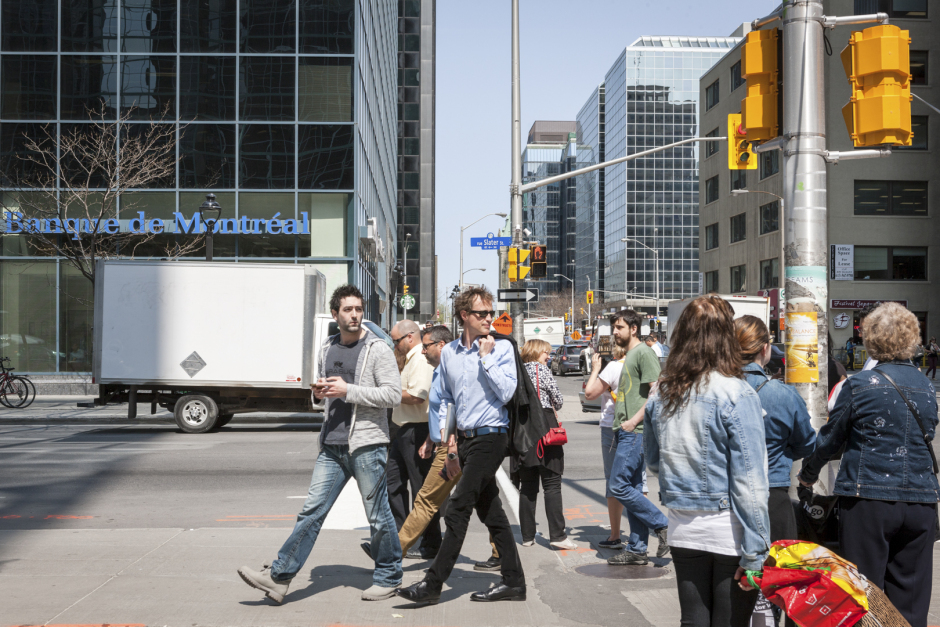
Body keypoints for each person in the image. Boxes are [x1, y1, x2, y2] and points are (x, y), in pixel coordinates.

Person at [238, 285, 403, 603]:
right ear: (335, 314)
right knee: (311, 512)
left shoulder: (378, 349)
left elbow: (392, 395)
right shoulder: (327, 347)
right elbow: (325, 396)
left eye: (358, 309)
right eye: (348, 310)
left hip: (367, 445)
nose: (355, 315)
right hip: (332, 444)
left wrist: (348, 390)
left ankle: (389, 576)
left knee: (379, 516)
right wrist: (319, 393)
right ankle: (279, 577)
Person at [799, 303, 939, 627]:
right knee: (911, 601)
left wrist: (808, 475)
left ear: (870, 340)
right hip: (921, 502)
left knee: (863, 598)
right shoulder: (927, 388)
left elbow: (830, 440)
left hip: (868, 500)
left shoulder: (859, 385)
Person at [645, 295, 770, 627]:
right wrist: (757, 553)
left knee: (693, 620)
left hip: (683, 527)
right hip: (729, 530)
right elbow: (750, 484)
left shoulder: (662, 392)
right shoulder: (738, 393)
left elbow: (654, 463)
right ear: (726, 339)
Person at [396, 286, 525, 605]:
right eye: (482, 314)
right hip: (462, 441)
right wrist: (449, 446)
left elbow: (508, 393)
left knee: (457, 509)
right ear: (464, 316)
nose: (489, 319)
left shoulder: (502, 348)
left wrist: (487, 360)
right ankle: (514, 582)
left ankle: (432, 585)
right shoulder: (450, 353)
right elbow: (448, 403)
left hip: (491, 437)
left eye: (491, 313)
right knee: (492, 513)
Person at [360, 325, 501, 570]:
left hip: (459, 445)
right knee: (471, 500)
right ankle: (392, 551)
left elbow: (458, 408)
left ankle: (393, 552)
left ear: (441, 345)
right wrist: (431, 439)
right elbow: (438, 412)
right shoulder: (440, 370)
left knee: (445, 500)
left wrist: (451, 447)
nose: (422, 351)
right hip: (446, 443)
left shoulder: (453, 370)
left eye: (426, 346)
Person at [735, 315, 816, 543]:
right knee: (775, 572)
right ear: (764, 348)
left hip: (725, 496)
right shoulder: (782, 394)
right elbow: (807, 443)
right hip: (772, 492)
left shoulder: (715, 388)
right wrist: (784, 451)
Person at [605, 309, 670, 566]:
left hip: (636, 432)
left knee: (617, 485)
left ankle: (662, 525)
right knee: (631, 489)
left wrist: (633, 421)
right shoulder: (630, 355)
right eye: (614, 327)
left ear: (633, 328)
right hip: (626, 431)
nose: (614, 332)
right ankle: (637, 549)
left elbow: (657, 394)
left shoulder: (644, 353)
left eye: (619, 327)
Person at [386, 319, 440, 559]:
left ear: (409, 337)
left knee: (421, 491)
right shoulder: (412, 359)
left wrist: (387, 393)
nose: (394, 345)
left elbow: (418, 396)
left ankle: (430, 543)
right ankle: (401, 538)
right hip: (403, 429)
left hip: (416, 430)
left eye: (396, 340)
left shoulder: (419, 359)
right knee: (393, 484)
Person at [517, 338, 576, 550]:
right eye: (545, 353)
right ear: (536, 353)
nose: (548, 357)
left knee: (528, 486)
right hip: (546, 426)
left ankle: (527, 536)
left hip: (524, 430)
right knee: (551, 484)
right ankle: (557, 536)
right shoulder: (542, 371)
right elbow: (558, 400)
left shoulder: (518, 371)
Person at [583, 344, 627, 548]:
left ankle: (615, 534)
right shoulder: (643, 364)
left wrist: (595, 369)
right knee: (638, 480)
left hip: (613, 425)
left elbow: (589, 394)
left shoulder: (614, 368)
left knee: (613, 480)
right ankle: (639, 535)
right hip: (638, 424)